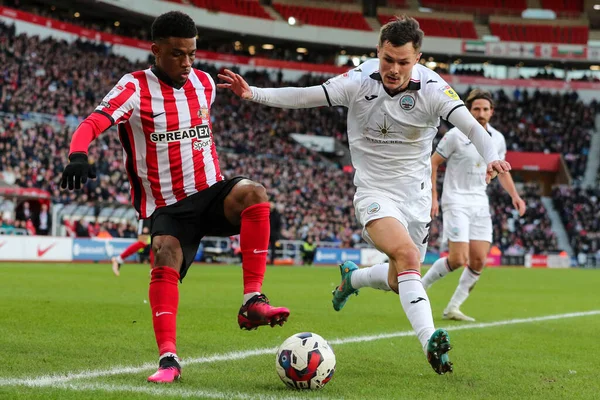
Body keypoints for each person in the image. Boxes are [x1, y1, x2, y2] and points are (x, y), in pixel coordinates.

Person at [218, 15, 510, 375]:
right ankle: (430, 339)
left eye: (403, 62)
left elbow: (469, 124)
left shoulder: (434, 88)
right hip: (374, 192)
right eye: (388, 59)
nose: (393, 69)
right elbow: (308, 96)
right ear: (378, 52)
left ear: (418, 58)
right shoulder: (359, 79)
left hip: (416, 198)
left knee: (396, 278)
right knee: (406, 256)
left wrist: (493, 156)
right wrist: (253, 93)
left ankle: (352, 279)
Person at [60, 11, 290, 384]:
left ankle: (252, 300)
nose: (186, 63)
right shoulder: (134, 87)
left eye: (192, 55)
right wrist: (78, 154)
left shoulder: (204, 84)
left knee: (255, 193)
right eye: (176, 54)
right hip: (168, 205)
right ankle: (168, 359)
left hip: (211, 192)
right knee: (164, 251)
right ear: (155, 51)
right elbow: (91, 122)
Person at [421, 89, 526, 321]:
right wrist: (434, 196)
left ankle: (453, 307)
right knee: (458, 258)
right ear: (469, 111)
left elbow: (502, 171)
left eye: (485, 109)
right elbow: (433, 163)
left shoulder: (497, 138)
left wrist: (515, 196)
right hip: (456, 200)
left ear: (492, 112)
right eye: (476, 109)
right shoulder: (455, 136)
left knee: (478, 260)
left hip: (480, 202)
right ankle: (419, 289)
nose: (481, 113)